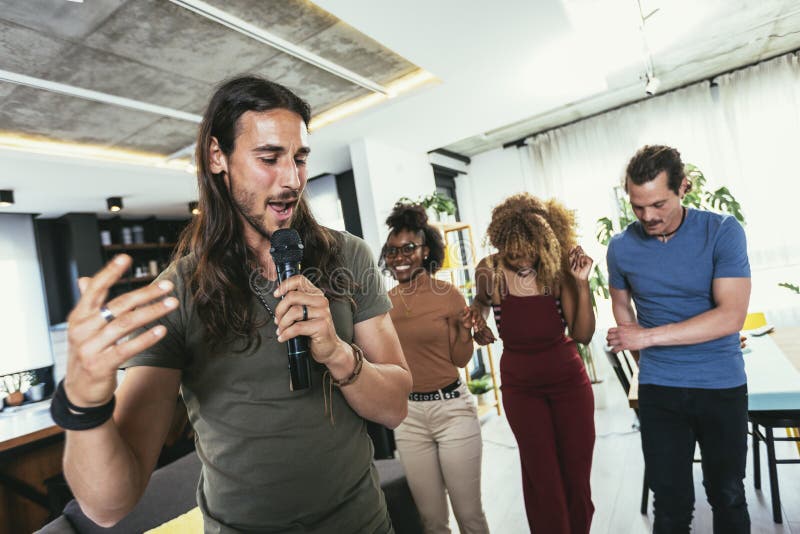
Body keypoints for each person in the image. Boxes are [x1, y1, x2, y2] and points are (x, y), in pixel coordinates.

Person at [55, 76, 412, 533]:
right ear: (218, 157)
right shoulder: (178, 292)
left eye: (300, 158)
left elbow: (396, 407)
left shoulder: (350, 256)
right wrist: (83, 404)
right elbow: (109, 506)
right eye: (269, 158)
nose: (292, 179)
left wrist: (338, 353)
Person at [606, 145, 751, 533]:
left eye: (658, 204)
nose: (648, 216)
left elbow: (731, 315)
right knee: (669, 505)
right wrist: (638, 346)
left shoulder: (722, 231)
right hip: (660, 391)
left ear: (683, 187)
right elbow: (622, 308)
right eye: (637, 207)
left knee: (728, 494)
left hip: (721, 385)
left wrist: (648, 338)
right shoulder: (620, 247)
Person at [471, 193, 596, 534]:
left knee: (576, 477)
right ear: (499, 244)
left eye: (528, 250)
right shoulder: (490, 270)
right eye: (511, 251)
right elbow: (479, 303)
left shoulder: (557, 271)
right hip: (520, 387)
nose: (521, 258)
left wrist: (581, 284)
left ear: (543, 241)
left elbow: (583, 334)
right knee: (543, 480)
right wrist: (478, 322)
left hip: (569, 383)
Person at [381, 203, 490, 534]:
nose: (399, 257)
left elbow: (460, 359)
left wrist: (466, 329)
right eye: (392, 250)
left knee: (469, 516)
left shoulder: (449, 295)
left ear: (426, 250)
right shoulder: (384, 302)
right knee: (431, 522)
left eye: (408, 249)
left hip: (452, 411)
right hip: (409, 418)